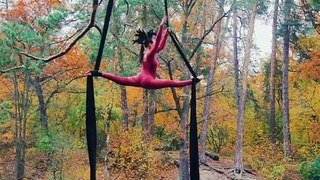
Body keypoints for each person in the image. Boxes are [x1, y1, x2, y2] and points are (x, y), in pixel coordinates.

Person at [87, 16, 197, 89]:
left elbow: (161, 46)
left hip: (139, 78)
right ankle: (191, 81)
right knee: (171, 83)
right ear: (150, 44)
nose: (155, 44)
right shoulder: (150, 53)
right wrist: (161, 25)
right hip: (148, 81)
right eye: (153, 42)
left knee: (122, 80)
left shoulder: (147, 53)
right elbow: (158, 41)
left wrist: (166, 33)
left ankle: (99, 73)